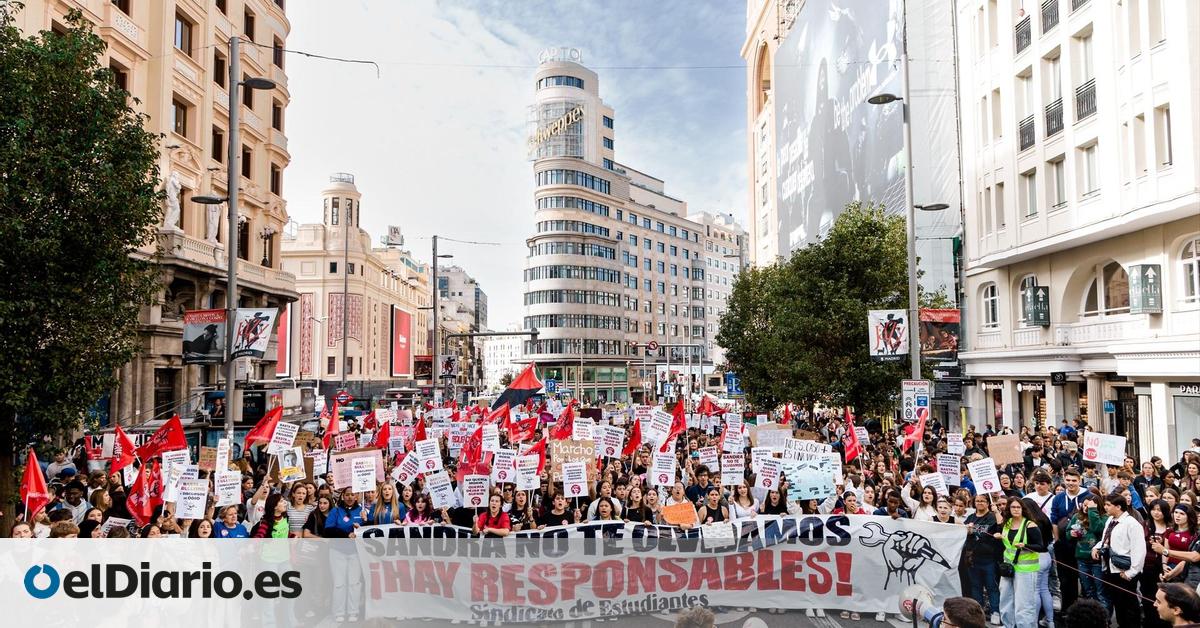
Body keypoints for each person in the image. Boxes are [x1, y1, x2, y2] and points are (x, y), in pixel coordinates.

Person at [1093, 493, 1147, 628]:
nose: (1105, 507)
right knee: (1118, 603)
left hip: (1125, 571)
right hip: (1110, 568)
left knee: (1129, 606)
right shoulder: (1110, 520)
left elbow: (1139, 550)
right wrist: (1097, 547)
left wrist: (1131, 573)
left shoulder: (1132, 524)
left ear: (1118, 507)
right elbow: (1106, 539)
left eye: (1108, 505)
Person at [995, 497, 1042, 628]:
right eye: (1013, 507)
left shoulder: (1030, 525)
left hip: (1026, 570)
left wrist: (1025, 545)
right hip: (1008, 568)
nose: (1015, 510)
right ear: (1009, 509)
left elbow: (1041, 547)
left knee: (1024, 604)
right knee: (1005, 599)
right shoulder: (1007, 523)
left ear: (1023, 509)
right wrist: (999, 536)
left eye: (1018, 507)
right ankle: (1007, 624)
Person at [966, 493, 1003, 625]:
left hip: (989, 558)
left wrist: (973, 531)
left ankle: (995, 611)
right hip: (973, 558)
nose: (980, 503)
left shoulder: (992, 517)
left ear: (988, 503)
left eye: (982, 501)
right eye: (977, 501)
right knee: (976, 586)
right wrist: (967, 530)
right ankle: (979, 611)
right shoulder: (970, 517)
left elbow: (998, 528)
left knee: (992, 586)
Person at [1020, 497, 1056, 628]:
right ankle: (1050, 621)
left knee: (1034, 591)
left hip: (1035, 557)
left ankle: (1033, 622)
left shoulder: (1030, 523)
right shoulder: (1044, 519)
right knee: (1044, 589)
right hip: (1046, 556)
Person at [1070, 493, 1109, 611]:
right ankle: (1092, 617)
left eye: (1090, 506)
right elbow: (1068, 531)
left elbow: (1098, 529)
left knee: (1101, 592)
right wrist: (1070, 534)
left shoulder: (1104, 518)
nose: (1086, 508)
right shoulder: (1077, 516)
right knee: (1088, 591)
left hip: (1097, 560)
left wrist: (1093, 511)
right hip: (1082, 559)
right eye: (1085, 505)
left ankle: (1104, 619)